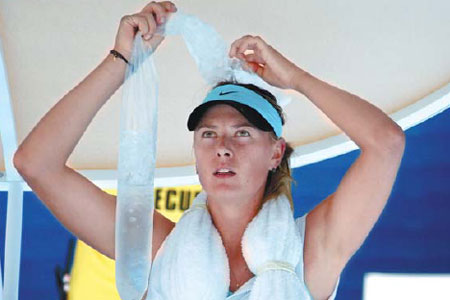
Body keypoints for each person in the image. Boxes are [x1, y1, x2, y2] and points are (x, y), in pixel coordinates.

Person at [13, 1, 406, 299]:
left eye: (243, 134)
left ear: (276, 152)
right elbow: (36, 164)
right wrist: (122, 61)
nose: (222, 148)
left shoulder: (312, 250)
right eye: (208, 134)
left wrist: (295, 79)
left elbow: (386, 144)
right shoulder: (154, 247)